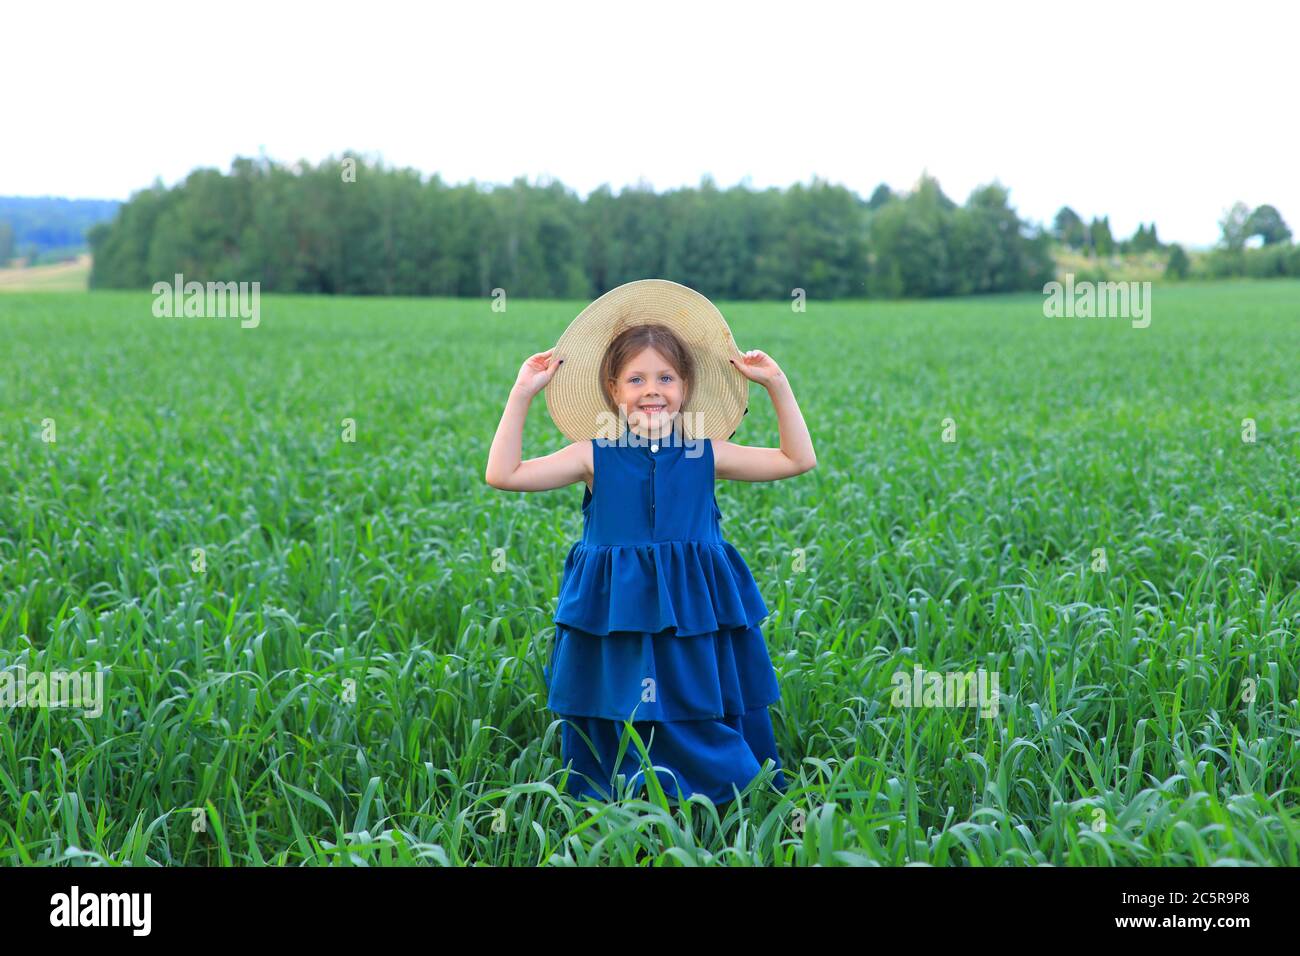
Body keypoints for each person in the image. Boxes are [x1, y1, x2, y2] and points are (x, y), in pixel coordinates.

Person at [485, 279, 816, 810]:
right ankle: (628, 798)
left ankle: (720, 793)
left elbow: (796, 459)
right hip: (617, 615)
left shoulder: (707, 451)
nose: (652, 389)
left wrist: (777, 383)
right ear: (613, 391)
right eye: (635, 379)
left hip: (693, 615)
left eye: (665, 377)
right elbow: (503, 473)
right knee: (621, 710)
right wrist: (521, 392)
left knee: (697, 704)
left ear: (684, 387)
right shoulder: (593, 456)